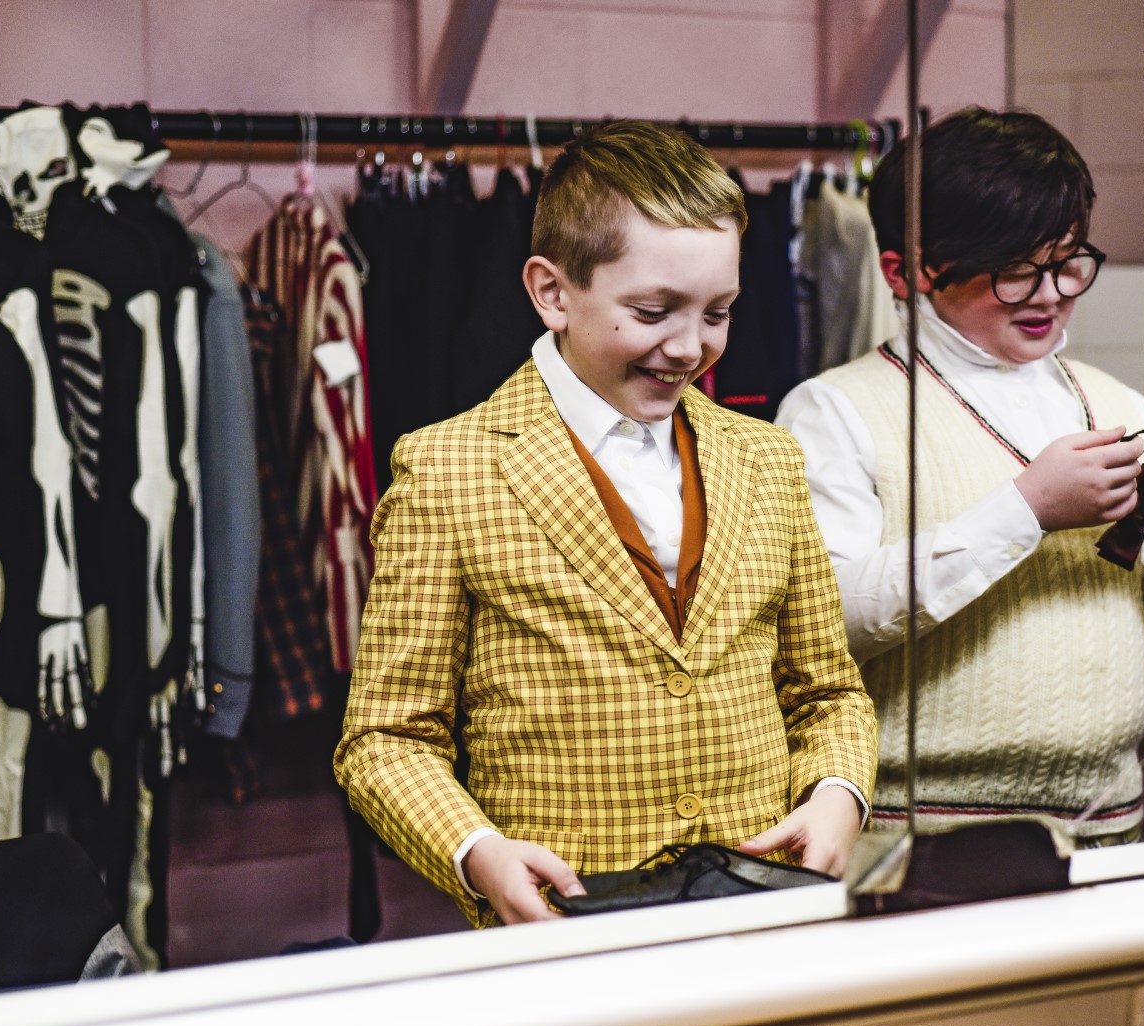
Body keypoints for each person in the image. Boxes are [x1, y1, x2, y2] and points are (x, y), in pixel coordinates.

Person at [335, 121, 877, 926]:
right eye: (654, 311)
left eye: (719, 312)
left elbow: (828, 691)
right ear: (553, 292)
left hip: (763, 913)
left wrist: (839, 793)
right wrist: (476, 850)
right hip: (564, 926)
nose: (691, 347)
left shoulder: (768, 459)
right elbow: (385, 737)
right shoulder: (447, 470)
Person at [775, 107, 1144, 847]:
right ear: (904, 271)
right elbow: (823, 626)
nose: (1051, 294)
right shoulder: (834, 410)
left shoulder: (1116, 404)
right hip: (912, 835)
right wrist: (1025, 511)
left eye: (1067, 261)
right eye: (1012, 271)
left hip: (1110, 822)